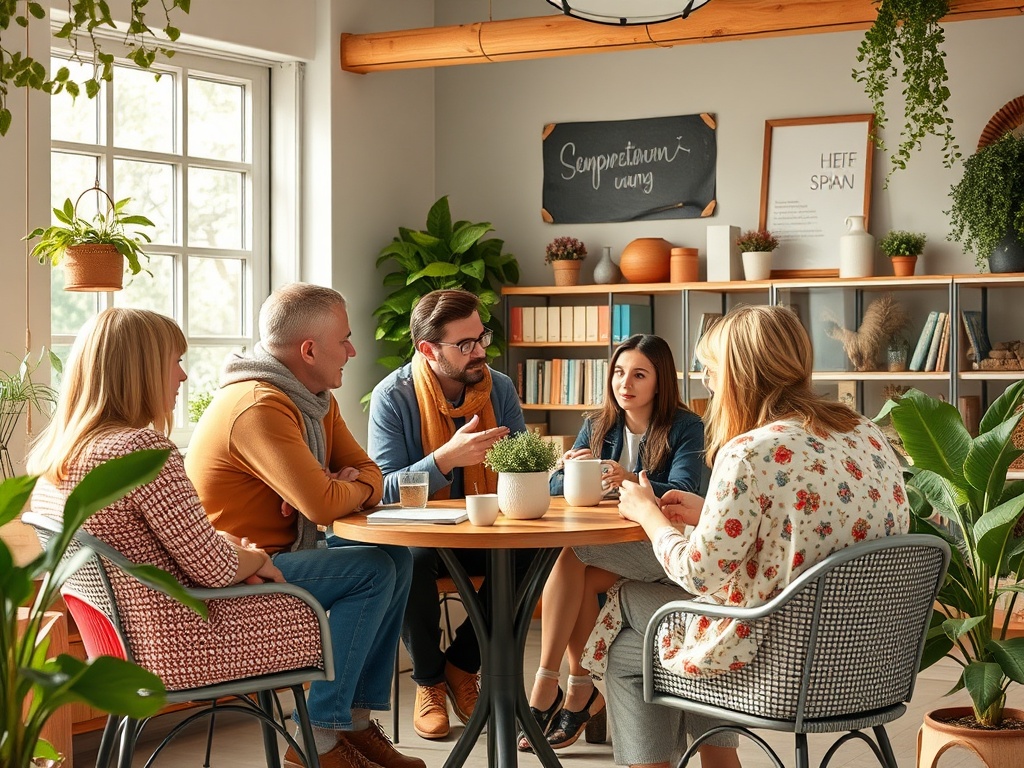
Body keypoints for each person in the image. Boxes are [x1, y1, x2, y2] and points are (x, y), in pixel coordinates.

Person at [598, 304, 911, 768]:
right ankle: (721, 762)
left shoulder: (749, 452)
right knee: (656, 638)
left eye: (711, 370)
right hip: (866, 661)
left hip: (783, 666)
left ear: (742, 375)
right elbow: (813, 526)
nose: (706, 382)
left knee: (627, 639)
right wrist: (711, 514)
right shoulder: (863, 430)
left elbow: (699, 576)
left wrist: (650, 516)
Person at [25, 308, 323, 737]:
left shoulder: (59, 459)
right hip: (181, 645)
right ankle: (335, 731)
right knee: (373, 571)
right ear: (141, 371)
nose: (183, 376)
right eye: (175, 361)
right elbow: (215, 569)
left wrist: (237, 553)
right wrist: (256, 559)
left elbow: (177, 547)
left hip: (120, 647)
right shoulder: (139, 449)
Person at [185, 284, 422, 768]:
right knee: (374, 568)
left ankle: (352, 720)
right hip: (236, 573)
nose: (353, 351)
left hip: (278, 558)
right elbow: (321, 504)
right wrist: (330, 487)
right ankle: (317, 735)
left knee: (396, 557)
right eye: (346, 340)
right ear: (309, 350)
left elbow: (368, 470)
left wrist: (342, 487)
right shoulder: (259, 406)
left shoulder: (314, 400)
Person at [520, 334, 704, 752]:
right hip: (611, 546)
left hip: (665, 546)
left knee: (571, 558)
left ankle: (547, 686)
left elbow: (683, 489)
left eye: (639, 374)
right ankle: (579, 689)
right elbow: (554, 487)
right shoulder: (598, 423)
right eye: (619, 372)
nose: (626, 383)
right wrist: (564, 469)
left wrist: (629, 479)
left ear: (660, 382)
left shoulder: (687, 426)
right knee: (577, 572)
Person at [367, 288, 528, 740]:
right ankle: (429, 682)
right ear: (427, 349)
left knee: (539, 551)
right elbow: (383, 489)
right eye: (465, 345)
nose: (480, 352)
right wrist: (444, 460)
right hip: (425, 537)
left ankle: (462, 664)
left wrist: (554, 473)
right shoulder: (392, 397)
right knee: (407, 559)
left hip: (487, 526)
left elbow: (522, 463)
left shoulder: (499, 386)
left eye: (481, 337)